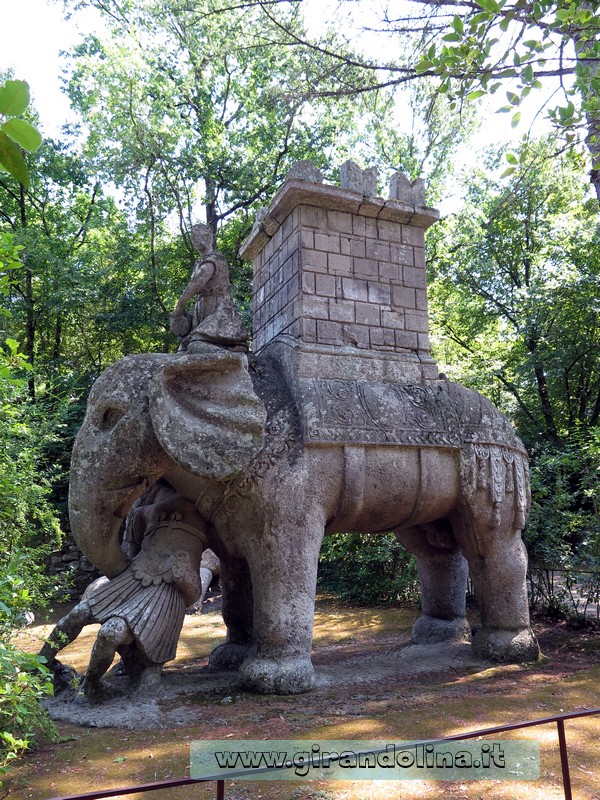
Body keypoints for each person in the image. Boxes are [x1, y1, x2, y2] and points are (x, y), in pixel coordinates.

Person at [39, 485, 209, 703]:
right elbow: (134, 531)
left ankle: (90, 686)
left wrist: (185, 576)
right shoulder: (155, 493)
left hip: (164, 590)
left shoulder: (210, 504)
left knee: (110, 632)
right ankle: (40, 664)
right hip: (134, 574)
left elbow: (195, 593)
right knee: (77, 614)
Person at [170, 223, 248, 352]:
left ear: (210, 238)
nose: (199, 240)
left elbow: (197, 283)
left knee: (195, 345)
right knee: (183, 348)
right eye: (194, 238)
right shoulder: (199, 262)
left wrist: (180, 306)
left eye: (202, 236)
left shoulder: (214, 259)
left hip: (219, 309)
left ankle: (232, 358)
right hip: (203, 308)